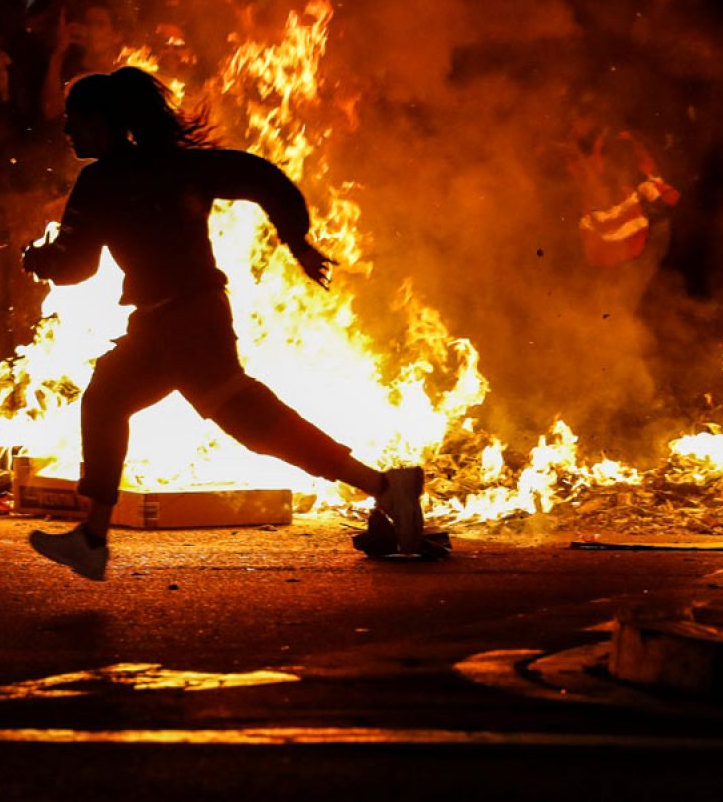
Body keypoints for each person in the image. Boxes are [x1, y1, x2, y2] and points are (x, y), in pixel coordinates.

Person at [21, 67, 425, 580]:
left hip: (182, 323)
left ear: (102, 122)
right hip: (178, 318)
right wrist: (295, 239)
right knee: (109, 400)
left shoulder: (100, 181)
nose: (67, 131)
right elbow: (264, 178)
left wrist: (39, 259)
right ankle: (92, 539)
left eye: (73, 120)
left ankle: (387, 488)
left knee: (246, 420)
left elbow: (76, 268)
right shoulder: (182, 166)